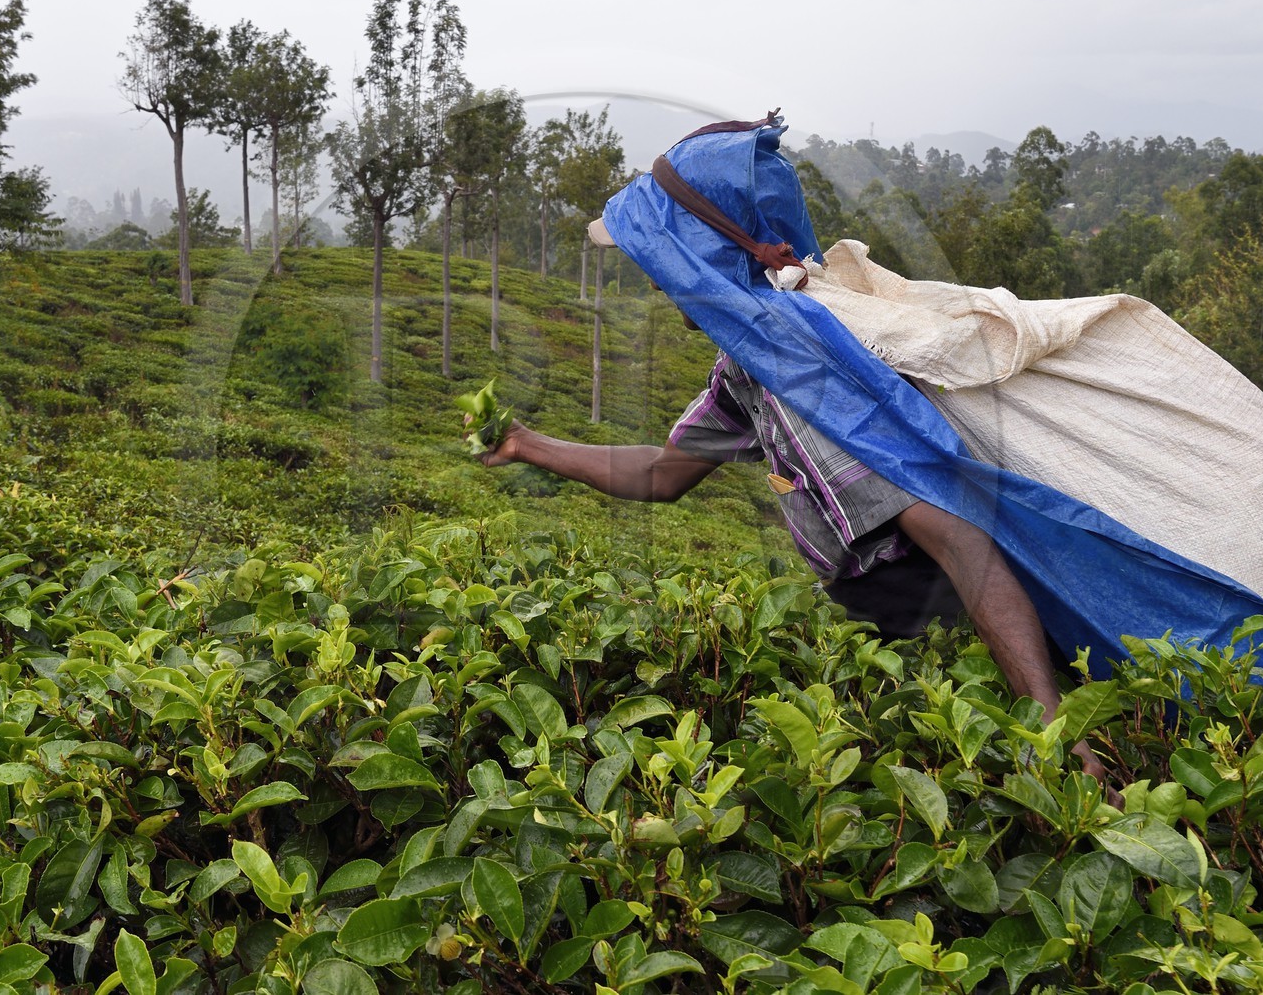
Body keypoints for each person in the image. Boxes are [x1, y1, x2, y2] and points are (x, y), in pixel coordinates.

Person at [476, 115, 1115, 790]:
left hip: (949, 639)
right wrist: (527, 445)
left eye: (663, 262)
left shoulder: (801, 365)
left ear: (703, 254)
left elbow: (962, 542)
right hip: (902, 635)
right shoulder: (754, 360)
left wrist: (1052, 735)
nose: (658, 285)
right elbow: (666, 473)